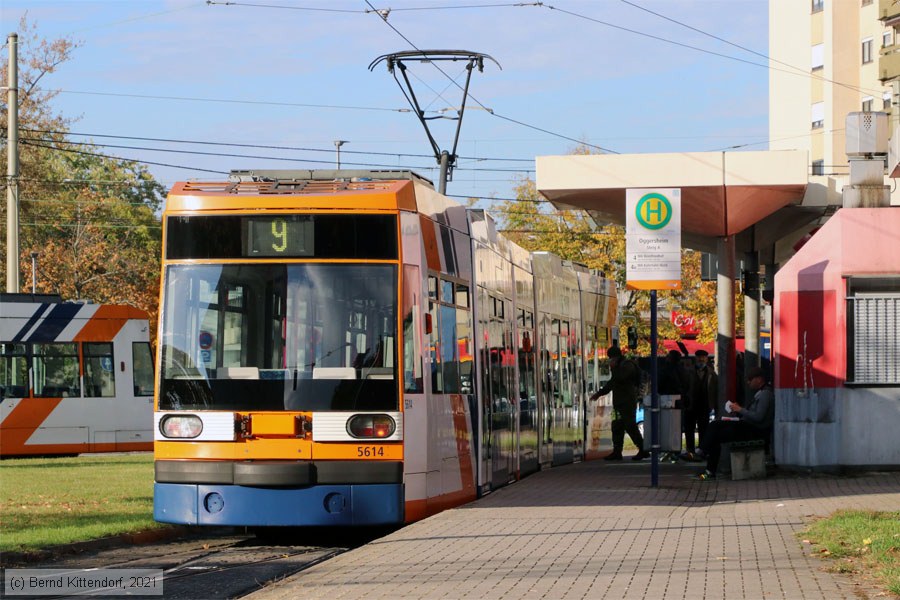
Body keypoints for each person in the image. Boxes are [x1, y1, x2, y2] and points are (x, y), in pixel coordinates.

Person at [695, 366, 774, 479]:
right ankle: (703, 455)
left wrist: (740, 409)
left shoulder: (766, 394)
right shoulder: (761, 393)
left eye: (750, 379)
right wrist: (738, 411)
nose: (748, 382)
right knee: (715, 424)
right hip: (749, 427)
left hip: (754, 430)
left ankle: (705, 461)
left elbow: (758, 417)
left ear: (759, 379)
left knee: (715, 435)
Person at [590, 346, 649, 461]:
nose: (610, 361)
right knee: (617, 426)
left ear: (615, 357)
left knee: (630, 426)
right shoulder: (620, 366)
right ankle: (617, 452)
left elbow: (620, 378)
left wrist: (614, 368)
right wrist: (599, 394)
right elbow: (612, 383)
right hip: (619, 402)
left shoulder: (627, 366)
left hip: (627, 401)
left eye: (611, 358)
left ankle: (643, 449)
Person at [682, 349, 718, 460]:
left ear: (707, 359)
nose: (701, 359)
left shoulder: (712, 373)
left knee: (704, 429)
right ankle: (690, 451)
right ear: (695, 358)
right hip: (690, 405)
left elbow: (715, 389)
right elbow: (684, 388)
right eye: (699, 357)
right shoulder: (688, 371)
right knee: (689, 429)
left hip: (705, 405)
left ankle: (702, 451)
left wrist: (713, 405)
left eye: (703, 357)